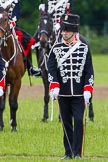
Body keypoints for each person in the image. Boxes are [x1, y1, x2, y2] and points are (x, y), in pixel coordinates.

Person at [47, 13, 94, 159]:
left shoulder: (84, 48)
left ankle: (77, 153)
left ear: (73, 31)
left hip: (80, 94)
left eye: (67, 30)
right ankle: (68, 153)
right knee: (66, 123)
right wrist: (54, 85)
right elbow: (52, 68)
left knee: (79, 121)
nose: (64, 33)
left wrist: (88, 88)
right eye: (63, 30)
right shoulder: (56, 49)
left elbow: (89, 70)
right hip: (63, 93)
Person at [2, 0, 41, 77]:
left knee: (28, 39)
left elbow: (17, 12)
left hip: (11, 26)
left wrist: (12, 21)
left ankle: (30, 67)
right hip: (1, 26)